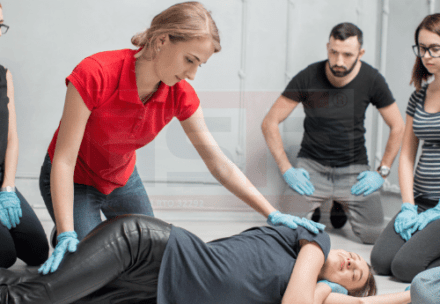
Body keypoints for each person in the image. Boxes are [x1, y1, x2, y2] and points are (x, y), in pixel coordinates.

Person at [39, 1, 323, 275]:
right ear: (162, 40)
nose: (193, 74)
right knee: (92, 268)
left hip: (122, 178)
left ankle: (79, 228)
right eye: (190, 60)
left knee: (152, 256)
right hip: (74, 178)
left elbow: (219, 164)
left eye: (199, 64)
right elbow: (64, 161)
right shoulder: (95, 73)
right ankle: (67, 226)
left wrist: (272, 213)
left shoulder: (180, 94)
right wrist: (66, 232)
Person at [0, 214, 414, 304]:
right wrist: (325, 276)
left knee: (30, 295)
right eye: (354, 259)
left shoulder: (315, 289)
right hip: (144, 249)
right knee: (26, 302)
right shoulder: (312, 236)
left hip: (151, 296)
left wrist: (416, 294)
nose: (353, 264)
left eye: (354, 275)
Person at [261, 22, 405, 244]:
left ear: (361, 53)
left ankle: (338, 203)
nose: (339, 61)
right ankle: (322, 202)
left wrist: (381, 172)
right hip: (312, 168)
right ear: (328, 46)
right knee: (283, 231)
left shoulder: (372, 78)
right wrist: (286, 169)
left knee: (373, 235)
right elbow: (270, 122)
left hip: (353, 169)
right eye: (334, 52)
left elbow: (398, 125)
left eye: (347, 54)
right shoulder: (309, 75)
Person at [371, 13, 440, 283]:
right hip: (422, 201)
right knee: (381, 261)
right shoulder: (419, 95)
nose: (427, 55)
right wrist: (409, 205)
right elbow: (408, 156)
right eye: (422, 48)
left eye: (435, 48)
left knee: (406, 267)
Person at [0, 2, 49, 269]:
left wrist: (7, 188)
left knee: (38, 251)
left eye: (0, 26)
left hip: (0, 180)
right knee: (5, 257)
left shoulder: (4, 75)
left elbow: (11, 138)